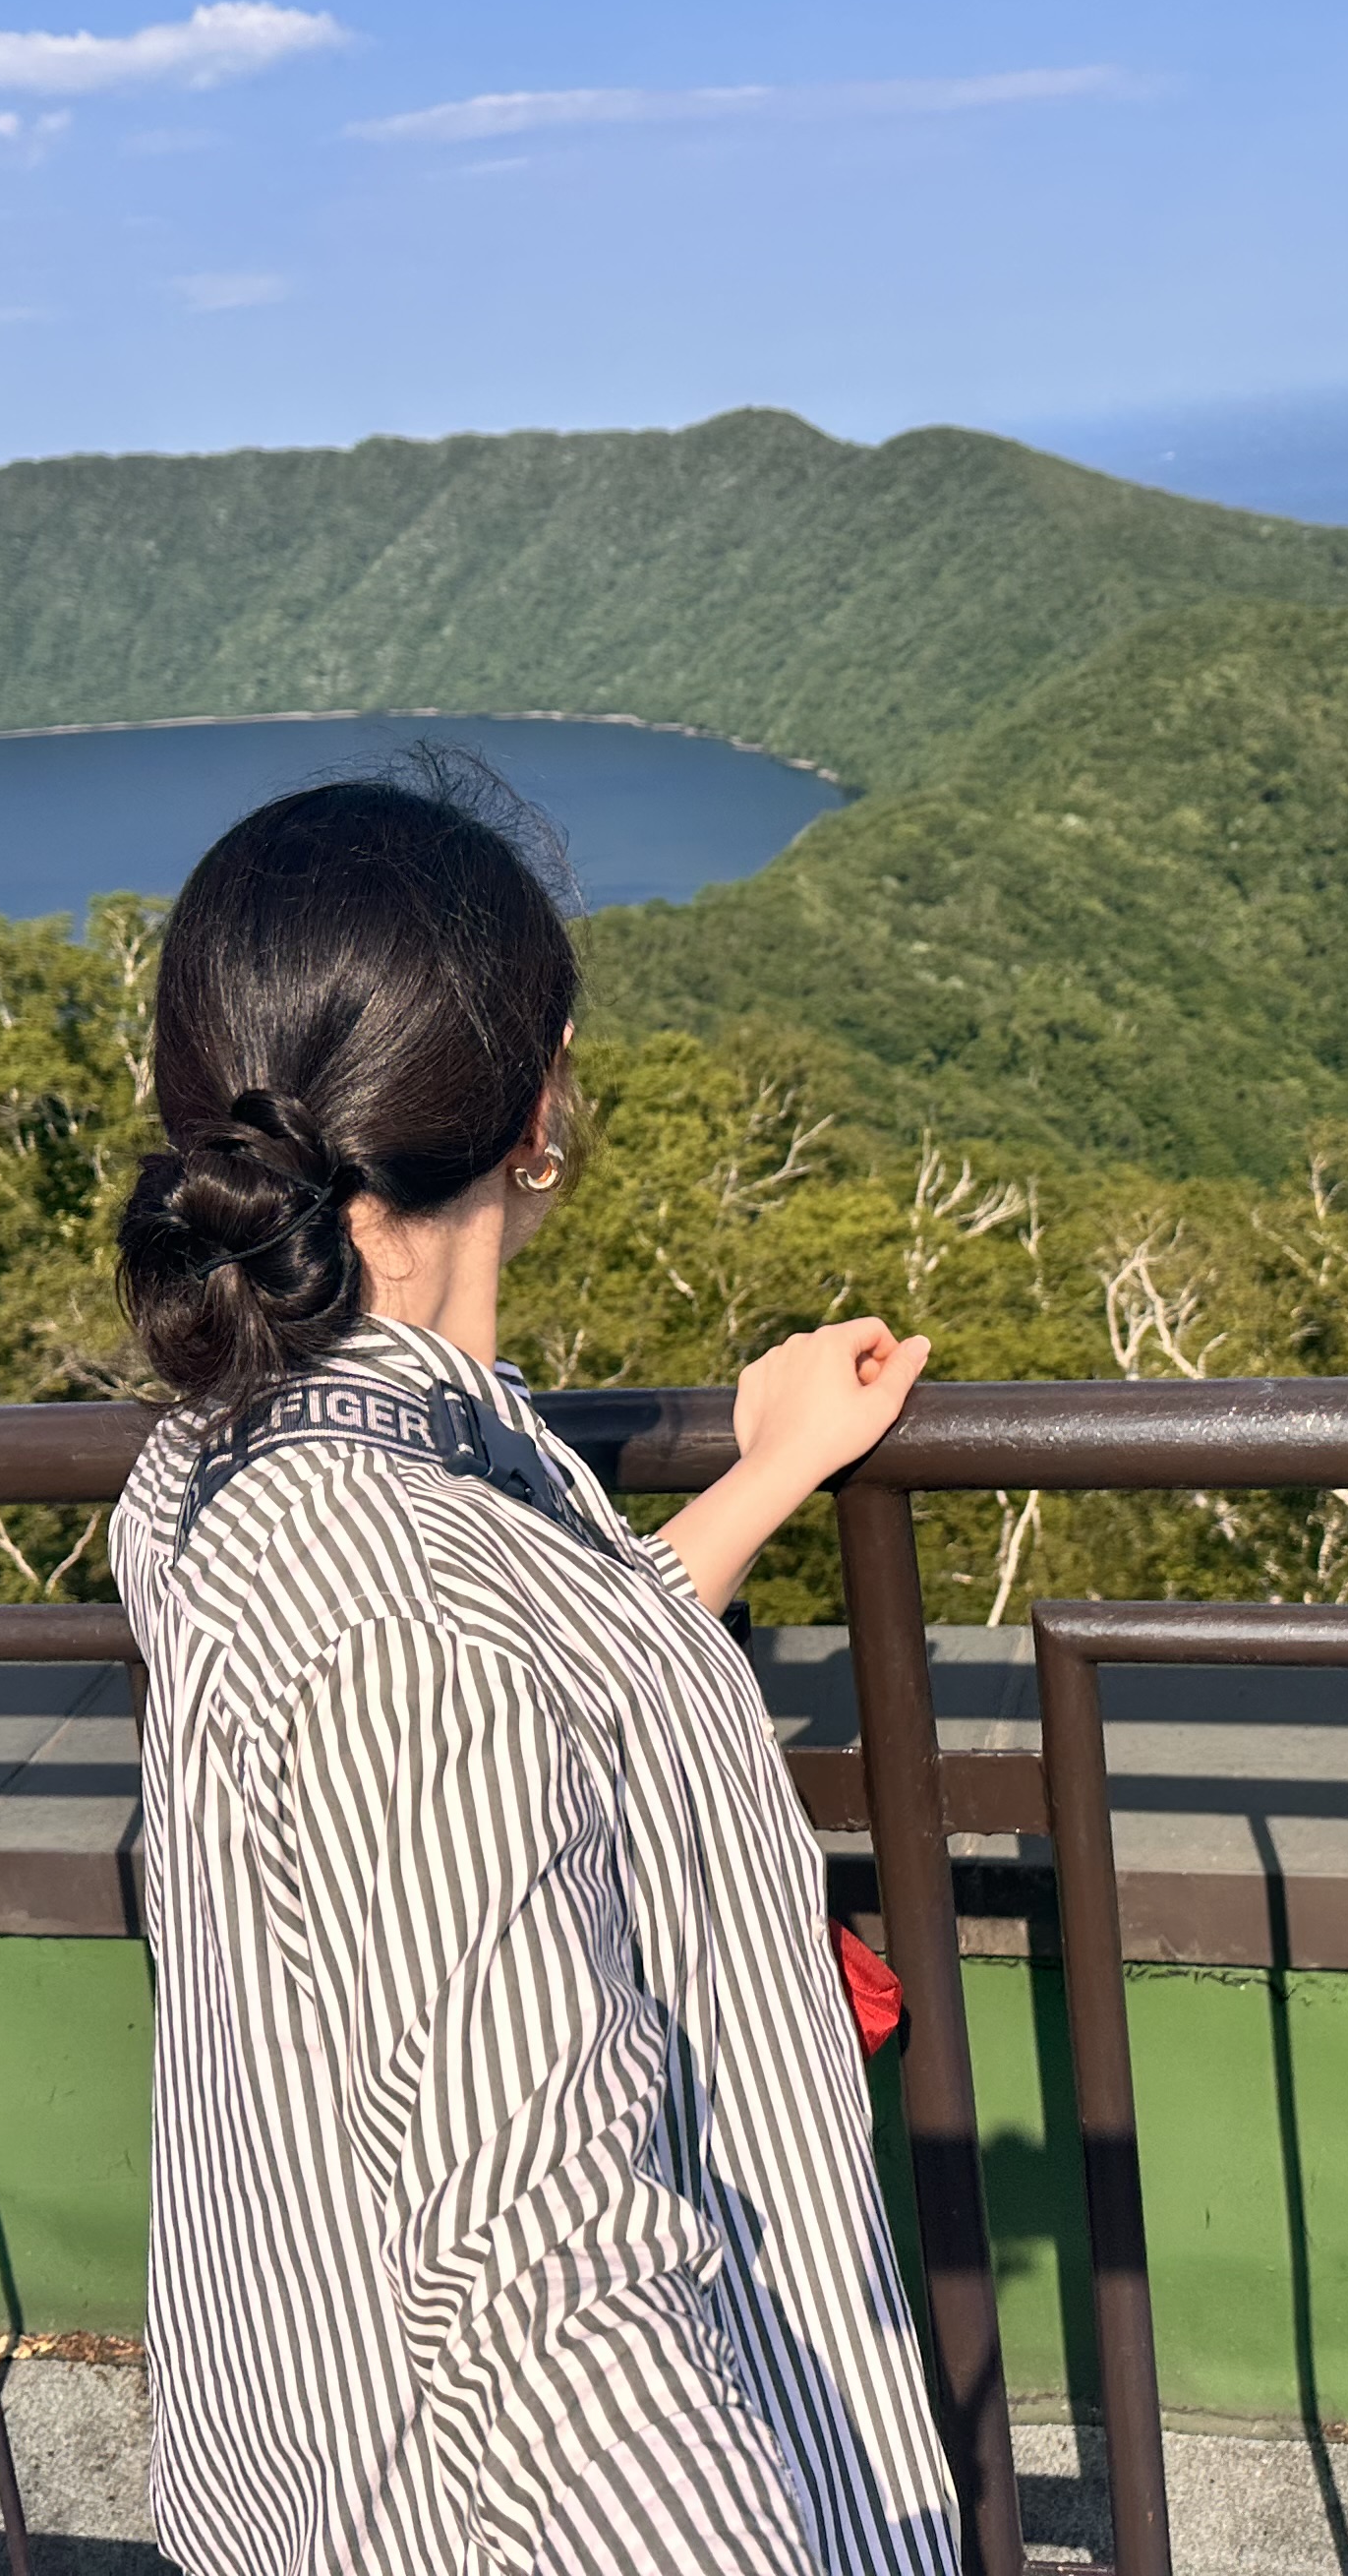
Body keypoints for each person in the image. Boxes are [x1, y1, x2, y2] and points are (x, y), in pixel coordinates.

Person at [109, 764, 961, 2576]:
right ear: (541, 1104)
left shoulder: (216, 1469)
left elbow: (537, 1668)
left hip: (316, 2447)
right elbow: (555, 2288)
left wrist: (763, 1477)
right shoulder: (408, 1618)